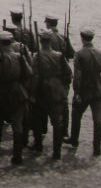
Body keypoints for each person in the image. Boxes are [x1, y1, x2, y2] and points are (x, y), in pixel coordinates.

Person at [0, 30, 32, 165]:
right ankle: (17, 155)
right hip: (17, 92)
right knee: (17, 124)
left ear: (0, 43)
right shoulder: (19, 56)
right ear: (11, 42)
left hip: (2, 93)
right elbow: (29, 73)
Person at [64, 29, 101, 156]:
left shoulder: (79, 54)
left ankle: (74, 139)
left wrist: (77, 92)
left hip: (85, 90)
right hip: (99, 90)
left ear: (82, 39)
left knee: (76, 114)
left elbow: (78, 75)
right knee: (98, 120)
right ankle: (97, 148)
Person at [29, 30, 72, 159]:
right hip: (56, 91)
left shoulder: (37, 56)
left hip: (42, 91)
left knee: (37, 118)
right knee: (57, 122)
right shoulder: (59, 55)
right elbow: (68, 74)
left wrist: (32, 93)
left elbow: (34, 76)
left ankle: (38, 145)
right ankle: (57, 152)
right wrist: (63, 88)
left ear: (41, 42)